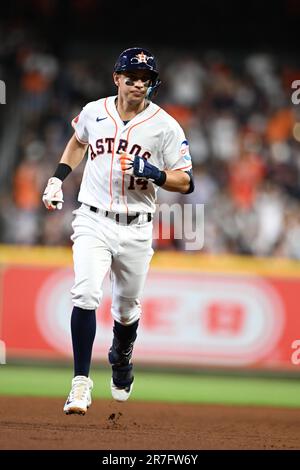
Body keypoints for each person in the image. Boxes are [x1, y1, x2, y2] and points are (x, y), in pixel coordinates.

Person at [42, 47, 194, 415]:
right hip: (93, 218)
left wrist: (155, 173)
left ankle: (122, 356)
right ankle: (80, 383)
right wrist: (57, 178)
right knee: (86, 294)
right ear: (117, 78)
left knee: (126, 310)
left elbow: (186, 181)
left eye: (146, 79)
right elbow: (78, 142)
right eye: (132, 77)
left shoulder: (165, 126)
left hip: (137, 228)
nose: (138, 84)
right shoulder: (95, 111)